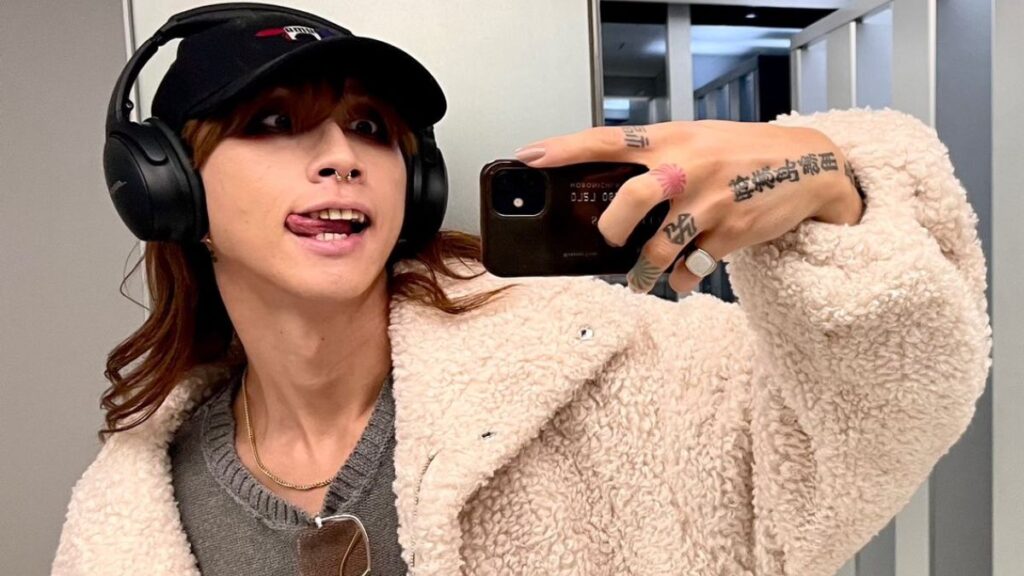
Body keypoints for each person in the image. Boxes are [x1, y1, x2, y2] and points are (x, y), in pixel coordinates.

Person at [52, 3, 992, 576]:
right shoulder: (131, 510)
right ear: (166, 187)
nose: (340, 156)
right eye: (270, 122)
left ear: (417, 183)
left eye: (371, 127)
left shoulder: (604, 371)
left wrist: (832, 180)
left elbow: (879, 417)